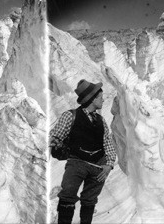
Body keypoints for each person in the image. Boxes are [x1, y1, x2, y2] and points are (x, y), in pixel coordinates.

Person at [50, 79, 117, 224]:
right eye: (100, 97)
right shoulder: (70, 115)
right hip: (76, 163)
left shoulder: (101, 120)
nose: (103, 100)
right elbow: (54, 137)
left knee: (90, 200)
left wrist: (109, 164)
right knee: (67, 196)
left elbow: (108, 144)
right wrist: (60, 146)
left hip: (99, 166)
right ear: (92, 100)